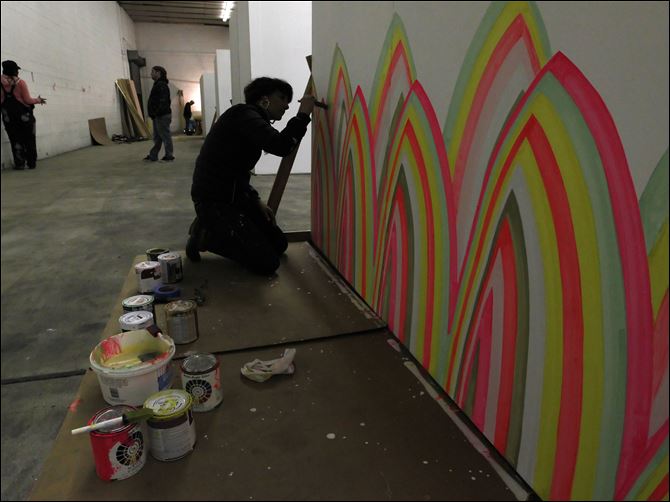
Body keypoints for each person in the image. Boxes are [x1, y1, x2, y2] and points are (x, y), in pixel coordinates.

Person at [186, 77, 316, 275]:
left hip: (234, 196)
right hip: (214, 200)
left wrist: (254, 200)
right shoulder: (243, 115)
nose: (287, 105)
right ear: (264, 99)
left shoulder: (251, 119)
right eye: (282, 98)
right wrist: (303, 115)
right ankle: (205, 234)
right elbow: (280, 145)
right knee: (267, 263)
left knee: (279, 244)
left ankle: (216, 226)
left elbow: (237, 171)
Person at [1, 60, 46, 170]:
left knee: (15, 140)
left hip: (8, 117)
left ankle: (20, 163)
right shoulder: (20, 83)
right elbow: (27, 100)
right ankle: (31, 163)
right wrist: (38, 100)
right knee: (29, 139)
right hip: (24, 116)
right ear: (14, 71)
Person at [143, 66, 174, 162]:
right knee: (157, 137)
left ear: (158, 73)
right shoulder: (158, 84)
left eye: (153, 72)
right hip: (158, 115)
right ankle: (153, 155)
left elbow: (163, 101)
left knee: (165, 136)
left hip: (162, 115)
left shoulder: (161, 85)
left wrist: (157, 112)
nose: (151, 74)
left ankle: (169, 155)